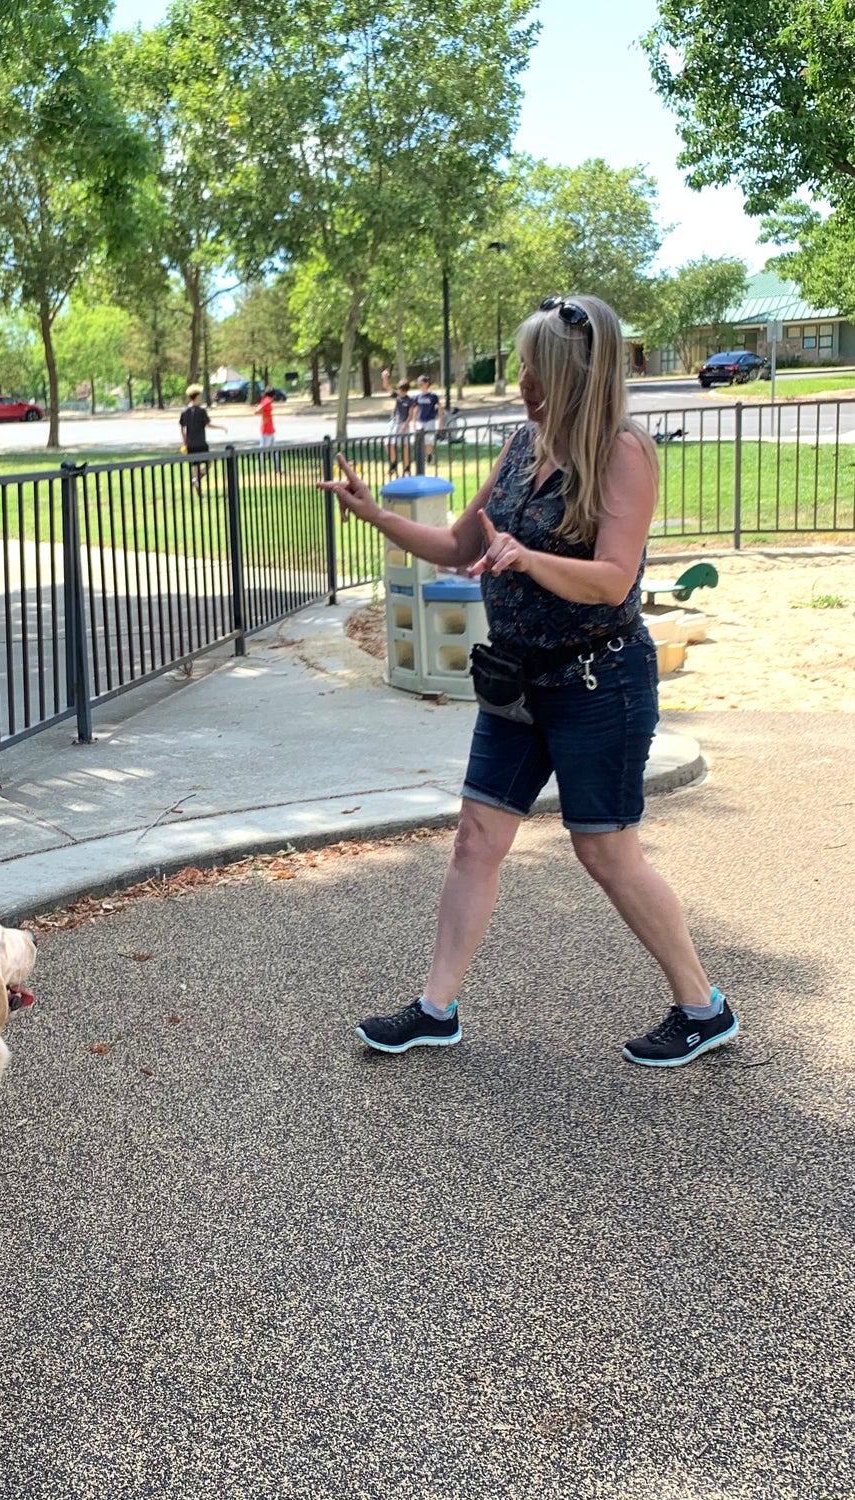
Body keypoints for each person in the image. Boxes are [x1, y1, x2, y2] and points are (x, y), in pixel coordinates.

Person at [319, 294, 737, 1069]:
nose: (521, 383)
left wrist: (526, 557)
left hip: (597, 682)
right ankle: (436, 1009)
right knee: (477, 838)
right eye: (521, 368)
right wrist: (373, 513)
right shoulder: (522, 446)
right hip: (518, 681)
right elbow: (454, 545)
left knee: (606, 852)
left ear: (577, 374)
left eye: (535, 370)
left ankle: (702, 1005)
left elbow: (613, 581)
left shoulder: (622, 454)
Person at [179, 384, 223, 491]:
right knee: (208, 463)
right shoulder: (201, 411)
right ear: (197, 396)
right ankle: (198, 478)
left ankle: (196, 482)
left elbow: (182, 429)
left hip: (190, 444)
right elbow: (208, 425)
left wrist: (184, 443)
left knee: (195, 465)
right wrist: (221, 427)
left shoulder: (184, 412)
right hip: (201, 443)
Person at [380, 369, 415, 477]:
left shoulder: (410, 400)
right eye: (400, 389)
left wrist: (406, 425)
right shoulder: (397, 397)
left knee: (404, 445)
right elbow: (387, 387)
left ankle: (407, 467)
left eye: (403, 390)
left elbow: (411, 414)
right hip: (394, 422)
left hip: (403, 423)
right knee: (388, 443)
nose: (401, 392)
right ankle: (393, 463)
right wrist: (385, 377)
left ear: (406, 390)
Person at [412, 373, 442, 464]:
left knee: (429, 439)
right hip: (421, 420)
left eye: (421, 384)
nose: (420, 386)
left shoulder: (433, 396)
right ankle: (423, 457)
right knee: (421, 440)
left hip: (430, 419)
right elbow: (415, 409)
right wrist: (414, 421)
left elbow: (439, 407)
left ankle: (429, 455)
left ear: (426, 384)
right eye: (419, 384)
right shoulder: (417, 397)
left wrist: (441, 420)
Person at [256, 387, 282, 473]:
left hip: (270, 430)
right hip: (266, 431)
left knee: (273, 451)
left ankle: (277, 468)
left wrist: (265, 415)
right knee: (263, 451)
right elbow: (257, 410)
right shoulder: (267, 401)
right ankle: (260, 469)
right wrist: (264, 415)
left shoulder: (265, 400)